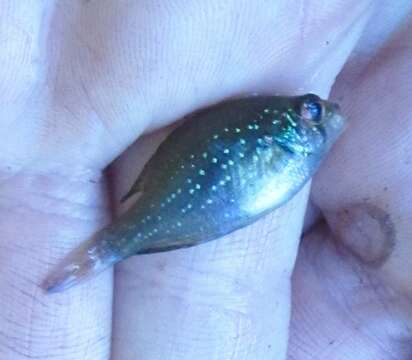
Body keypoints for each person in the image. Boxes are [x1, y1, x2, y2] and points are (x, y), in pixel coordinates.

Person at [0, 1, 411, 359]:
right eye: (312, 112)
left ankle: (115, 243)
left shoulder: (291, 141)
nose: (325, 115)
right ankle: (114, 243)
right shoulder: (283, 139)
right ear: (286, 127)